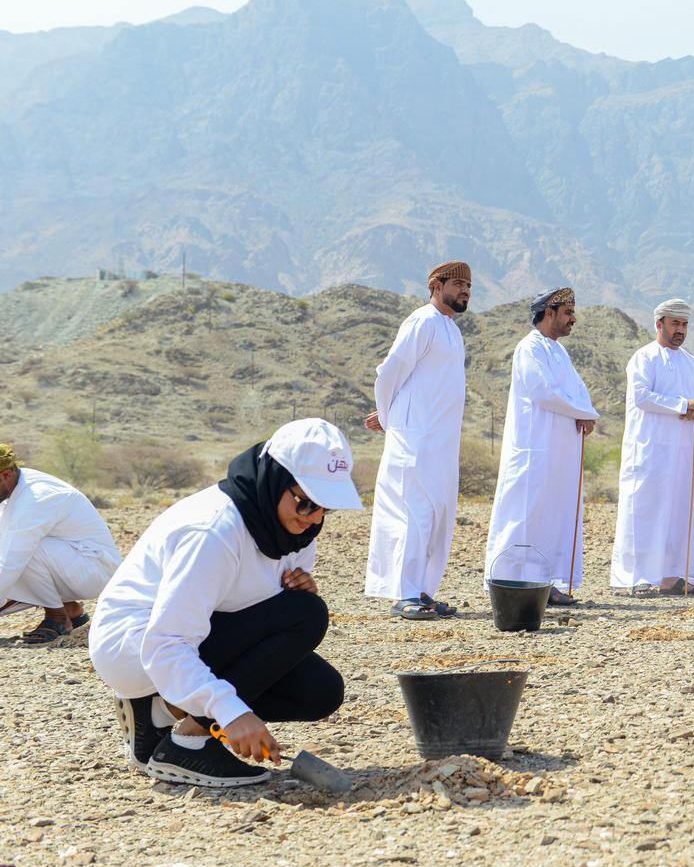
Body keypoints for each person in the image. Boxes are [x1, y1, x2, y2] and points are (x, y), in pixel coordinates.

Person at [89, 419, 363, 787]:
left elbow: (257, 609)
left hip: (196, 634)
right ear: (274, 479)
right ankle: (188, 741)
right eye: (307, 502)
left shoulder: (295, 528)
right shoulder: (213, 531)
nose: (314, 519)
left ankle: (157, 711)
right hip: (134, 647)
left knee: (320, 690)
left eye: (326, 508)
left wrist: (291, 595)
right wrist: (230, 714)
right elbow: (167, 641)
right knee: (306, 614)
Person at [365, 260, 470, 621]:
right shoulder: (422, 320)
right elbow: (390, 371)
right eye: (457, 284)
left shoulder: (452, 330)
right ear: (436, 285)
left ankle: (423, 591)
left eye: (468, 286)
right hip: (414, 438)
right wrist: (389, 416)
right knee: (413, 514)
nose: (465, 291)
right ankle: (404, 593)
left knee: (437, 516)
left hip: (441, 442)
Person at [486, 287, 598, 606]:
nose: (573, 319)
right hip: (534, 449)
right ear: (549, 313)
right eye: (568, 313)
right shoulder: (529, 348)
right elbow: (543, 392)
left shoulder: (559, 352)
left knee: (553, 515)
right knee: (525, 514)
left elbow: (579, 391)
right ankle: (509, 584)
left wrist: (584, 411)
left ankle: (543, 584)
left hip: (560, 452)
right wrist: (584, 413)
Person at [609, 299, 694, 596]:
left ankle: (671, 576)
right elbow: (642, 396)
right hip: (650, 450)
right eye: (675, 324)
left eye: (684, 325)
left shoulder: (690, 362)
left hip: (683, 452)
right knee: (645, 511)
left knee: (680, 511)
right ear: (659, 324)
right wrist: (683, 405)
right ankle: (637, 577)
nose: (680, 330)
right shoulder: (643, 358)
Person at [0, 445, 121, 644]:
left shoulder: (35, 498)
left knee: (27, 550)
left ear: (6, 474)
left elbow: (10, 563)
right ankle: (70, 610)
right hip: (70, 563)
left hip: (94, 570)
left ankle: (57, 617)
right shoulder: (13, 488)